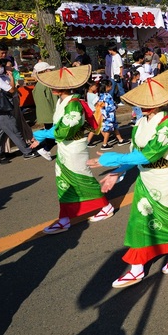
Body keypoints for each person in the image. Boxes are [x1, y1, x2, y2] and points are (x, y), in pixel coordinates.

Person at [88, 69, 168, 288]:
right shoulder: (140, 123)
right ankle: (136, 267)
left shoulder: (166, 125)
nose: (143, 107)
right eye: (141, 103)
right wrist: (117, 172)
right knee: (139, 221)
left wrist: (112, 159)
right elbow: (135, 155)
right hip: (145, 177)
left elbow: (147, 155)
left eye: (147, 104)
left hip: (164, 176)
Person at [30, 65, 114, 234]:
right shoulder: (63, 101)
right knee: (64, 182)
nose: (51, 87)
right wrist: (43, 135)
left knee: (82, 179)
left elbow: (65, 129)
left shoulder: (74, 104)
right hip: (65, 146)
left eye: (55, 85)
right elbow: (61, 128)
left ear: (63, 88)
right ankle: (64, 218)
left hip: (74, 147)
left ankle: (105, 206)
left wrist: (43, 135)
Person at [0, 57, 38, 165]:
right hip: (1, 111)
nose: (0, 68)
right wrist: (11, 78)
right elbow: (11, 90)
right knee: (14, 131)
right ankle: (27, 152)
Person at [31, 61, 58, 160]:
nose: (51, 71)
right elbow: (54, 100)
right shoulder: (47, 84)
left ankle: (42, 146)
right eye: (49, 69)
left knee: (51, 133)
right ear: (44, 71)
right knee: (54, 134)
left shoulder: (39, 84)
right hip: (51, 113)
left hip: (45, 113)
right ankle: (45, 149)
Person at [97, 79, 129, 149]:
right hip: (109, 115)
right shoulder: (107, 96)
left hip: (104, 114)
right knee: (108, 129)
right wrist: (115, 106)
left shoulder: (101, 95)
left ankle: (120, 140)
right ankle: (104, 144)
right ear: (107, 86)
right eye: (110, 86)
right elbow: (110, 106)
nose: (111, 87)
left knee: (114, 127)